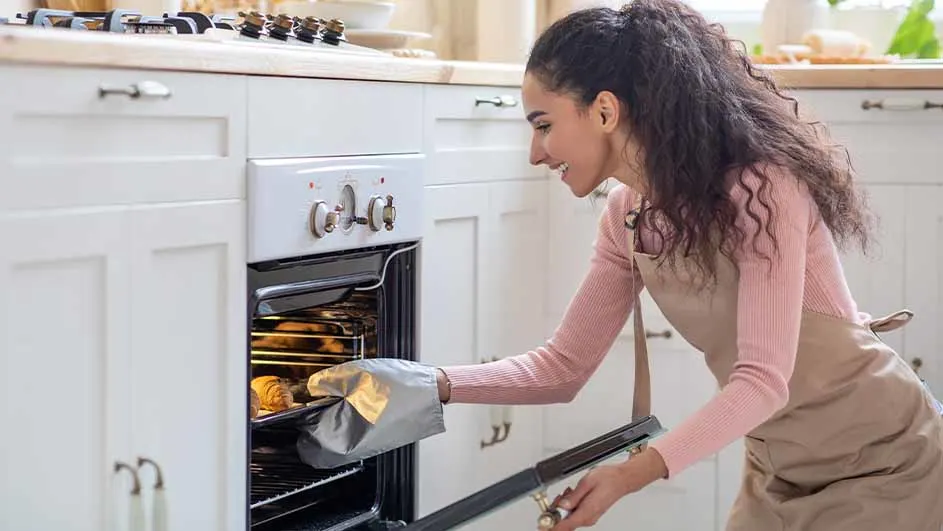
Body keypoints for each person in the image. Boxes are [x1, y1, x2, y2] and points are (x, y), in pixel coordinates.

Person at [428, 1, 943, 530]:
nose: (535, 153)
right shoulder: (626, 216)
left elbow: (763, 381)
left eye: (543, 125)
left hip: (883, 463)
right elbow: (561, 369)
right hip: (778, 470)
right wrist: (428, 383)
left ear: (605, 111)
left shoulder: (760, 191)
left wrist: (631, 475)